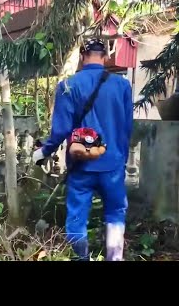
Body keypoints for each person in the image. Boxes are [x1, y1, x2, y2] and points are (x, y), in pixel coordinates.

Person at [33, 38, 133, 261]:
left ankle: (81, 259)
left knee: (77, 217)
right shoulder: (123, 85)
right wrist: (121, 159)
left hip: (81, 166)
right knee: (115, 214)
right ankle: (114, 258)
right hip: (113, 165)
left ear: (81, 55)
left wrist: (44, 151)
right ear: (106, 56)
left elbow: (60, 131)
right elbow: (127, 129)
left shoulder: (68, 86)